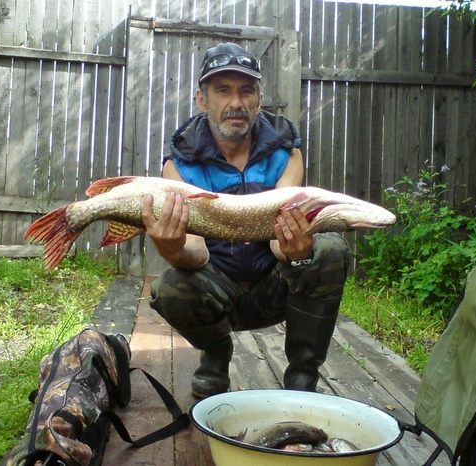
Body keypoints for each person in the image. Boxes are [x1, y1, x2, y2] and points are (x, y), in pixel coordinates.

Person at [141, 42, 351, 399]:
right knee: (169, 288)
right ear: (202, 100)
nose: (236, 103)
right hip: (218, 289)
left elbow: (276, 240)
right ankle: (216, 355)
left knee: (329, 248)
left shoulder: (286, 151)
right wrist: (171, 248)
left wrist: (297, 250)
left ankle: (302, 375)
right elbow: (197, 254)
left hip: (275, 287)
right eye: (223, 91)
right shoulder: (179, 163)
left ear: (259, 98)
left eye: (246, 90)